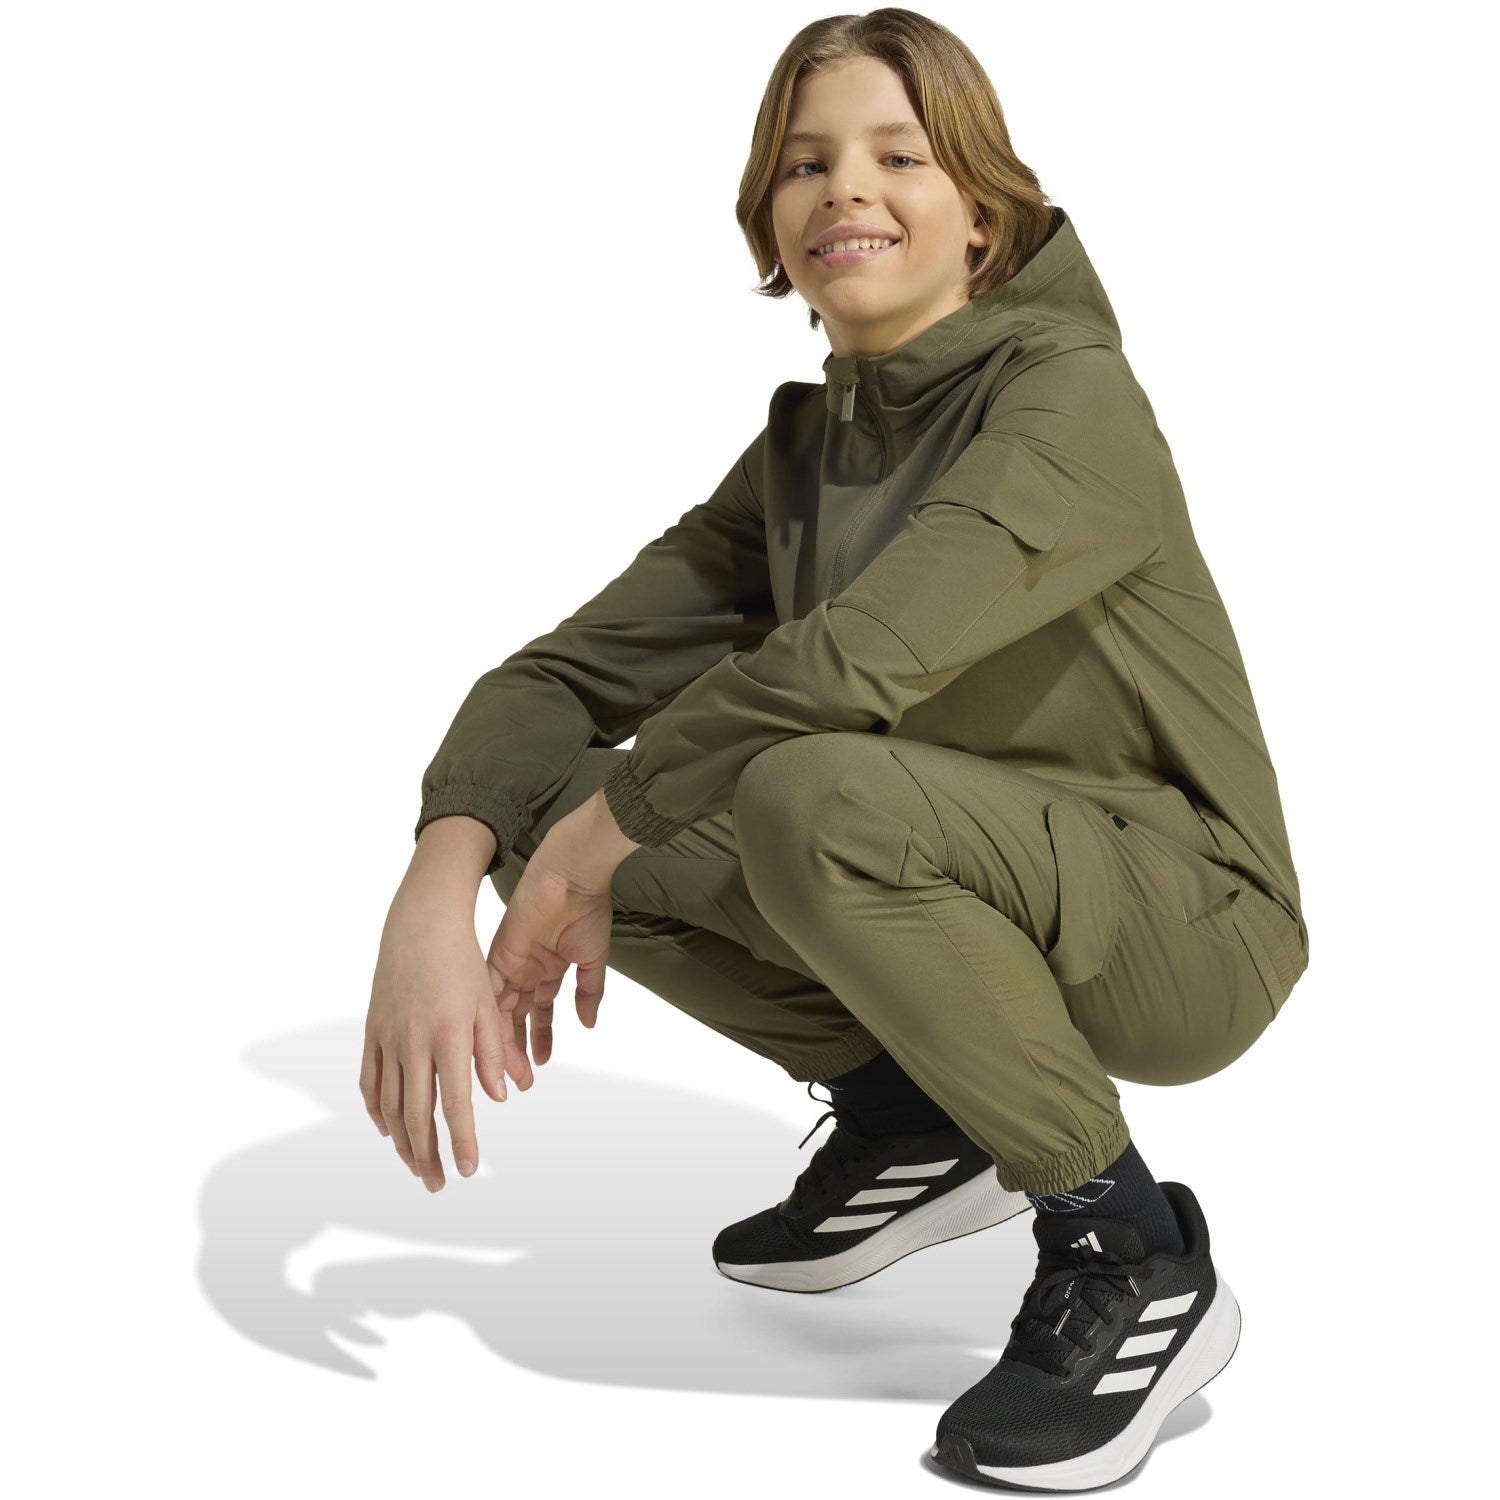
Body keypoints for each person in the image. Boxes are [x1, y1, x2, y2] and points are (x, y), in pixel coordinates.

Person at [361, 6, 1309, 1489]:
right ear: (768, 216)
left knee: (794, 791)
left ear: (984, 214)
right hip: (957, 877)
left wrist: (598, 842)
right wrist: (438, 878)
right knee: (539, 807)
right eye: (805, 163)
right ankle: (917, 1118)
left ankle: (1131, 1251)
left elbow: (859, 658)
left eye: (898, 156)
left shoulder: (1070, 397)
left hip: (1187, 928)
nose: (844, 189)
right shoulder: (809, 453)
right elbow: (559, 678)